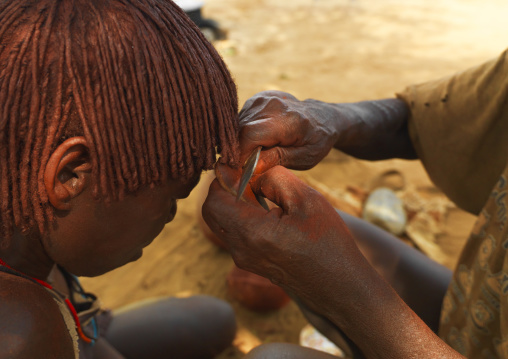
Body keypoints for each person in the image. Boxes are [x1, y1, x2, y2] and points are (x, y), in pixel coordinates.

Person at [203, 48, 508, 358]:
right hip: (473, 308)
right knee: (301, 234)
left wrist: (346, 294)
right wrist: (329, 119)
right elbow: (432, 119)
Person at [0, 0, 240, 358]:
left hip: (69, 329)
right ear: (70, 176)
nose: (172, 215)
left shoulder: (21, 215)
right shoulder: (22, 337)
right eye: (171, 198)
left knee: (211, 320)